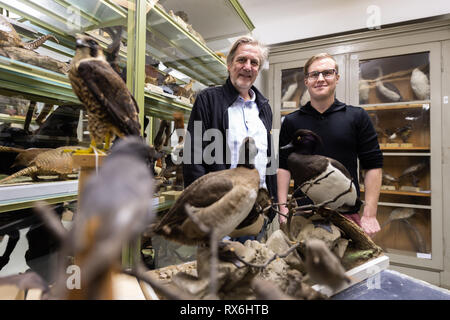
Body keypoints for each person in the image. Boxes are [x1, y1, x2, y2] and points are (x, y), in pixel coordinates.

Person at [277, 53, 383, 237]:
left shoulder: (357, 116)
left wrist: (370, 213)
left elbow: (373, 166)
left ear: (337, 77)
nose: (320, 79)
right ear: (306, 81)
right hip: (304, 213)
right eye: (314, 74)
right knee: (302, 264)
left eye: (327, 73)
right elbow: (283, 168)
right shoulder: (291, 121)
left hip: (346, 212)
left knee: (348, 264)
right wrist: (283, 210)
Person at [183, 36, 277, 241]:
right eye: (242, 60)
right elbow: (193, 156)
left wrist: (273, 204)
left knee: (251, 269)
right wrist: (201, 210)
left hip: (257, 213)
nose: (247, 67)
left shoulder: (264, 108)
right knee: (217, 271)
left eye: (254, 63)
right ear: (229, 64)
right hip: (219, 212)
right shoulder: (208, 99)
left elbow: (269, 158)